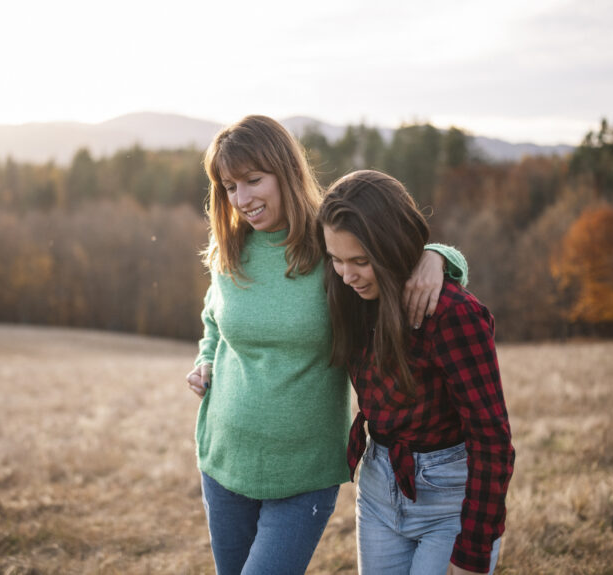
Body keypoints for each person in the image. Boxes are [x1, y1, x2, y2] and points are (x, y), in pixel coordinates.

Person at [185, 116, 468, 575]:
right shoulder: (231, 247)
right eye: (229, 186)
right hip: (224, 459)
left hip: (305, 472)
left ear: (286, 171)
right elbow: (213, 318)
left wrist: (439, 257)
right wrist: (205, 359)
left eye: (254, 180)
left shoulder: (329, 243)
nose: (242, 199)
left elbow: (395, 255)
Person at [317, 169, 515, 575]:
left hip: (449, 500)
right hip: (376, 488)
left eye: (360, 261)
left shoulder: (451, 314)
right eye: (336, 260)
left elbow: (491, 437)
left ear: (391, 248)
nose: (346, 274)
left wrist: (473, 551)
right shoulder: (349, 297)